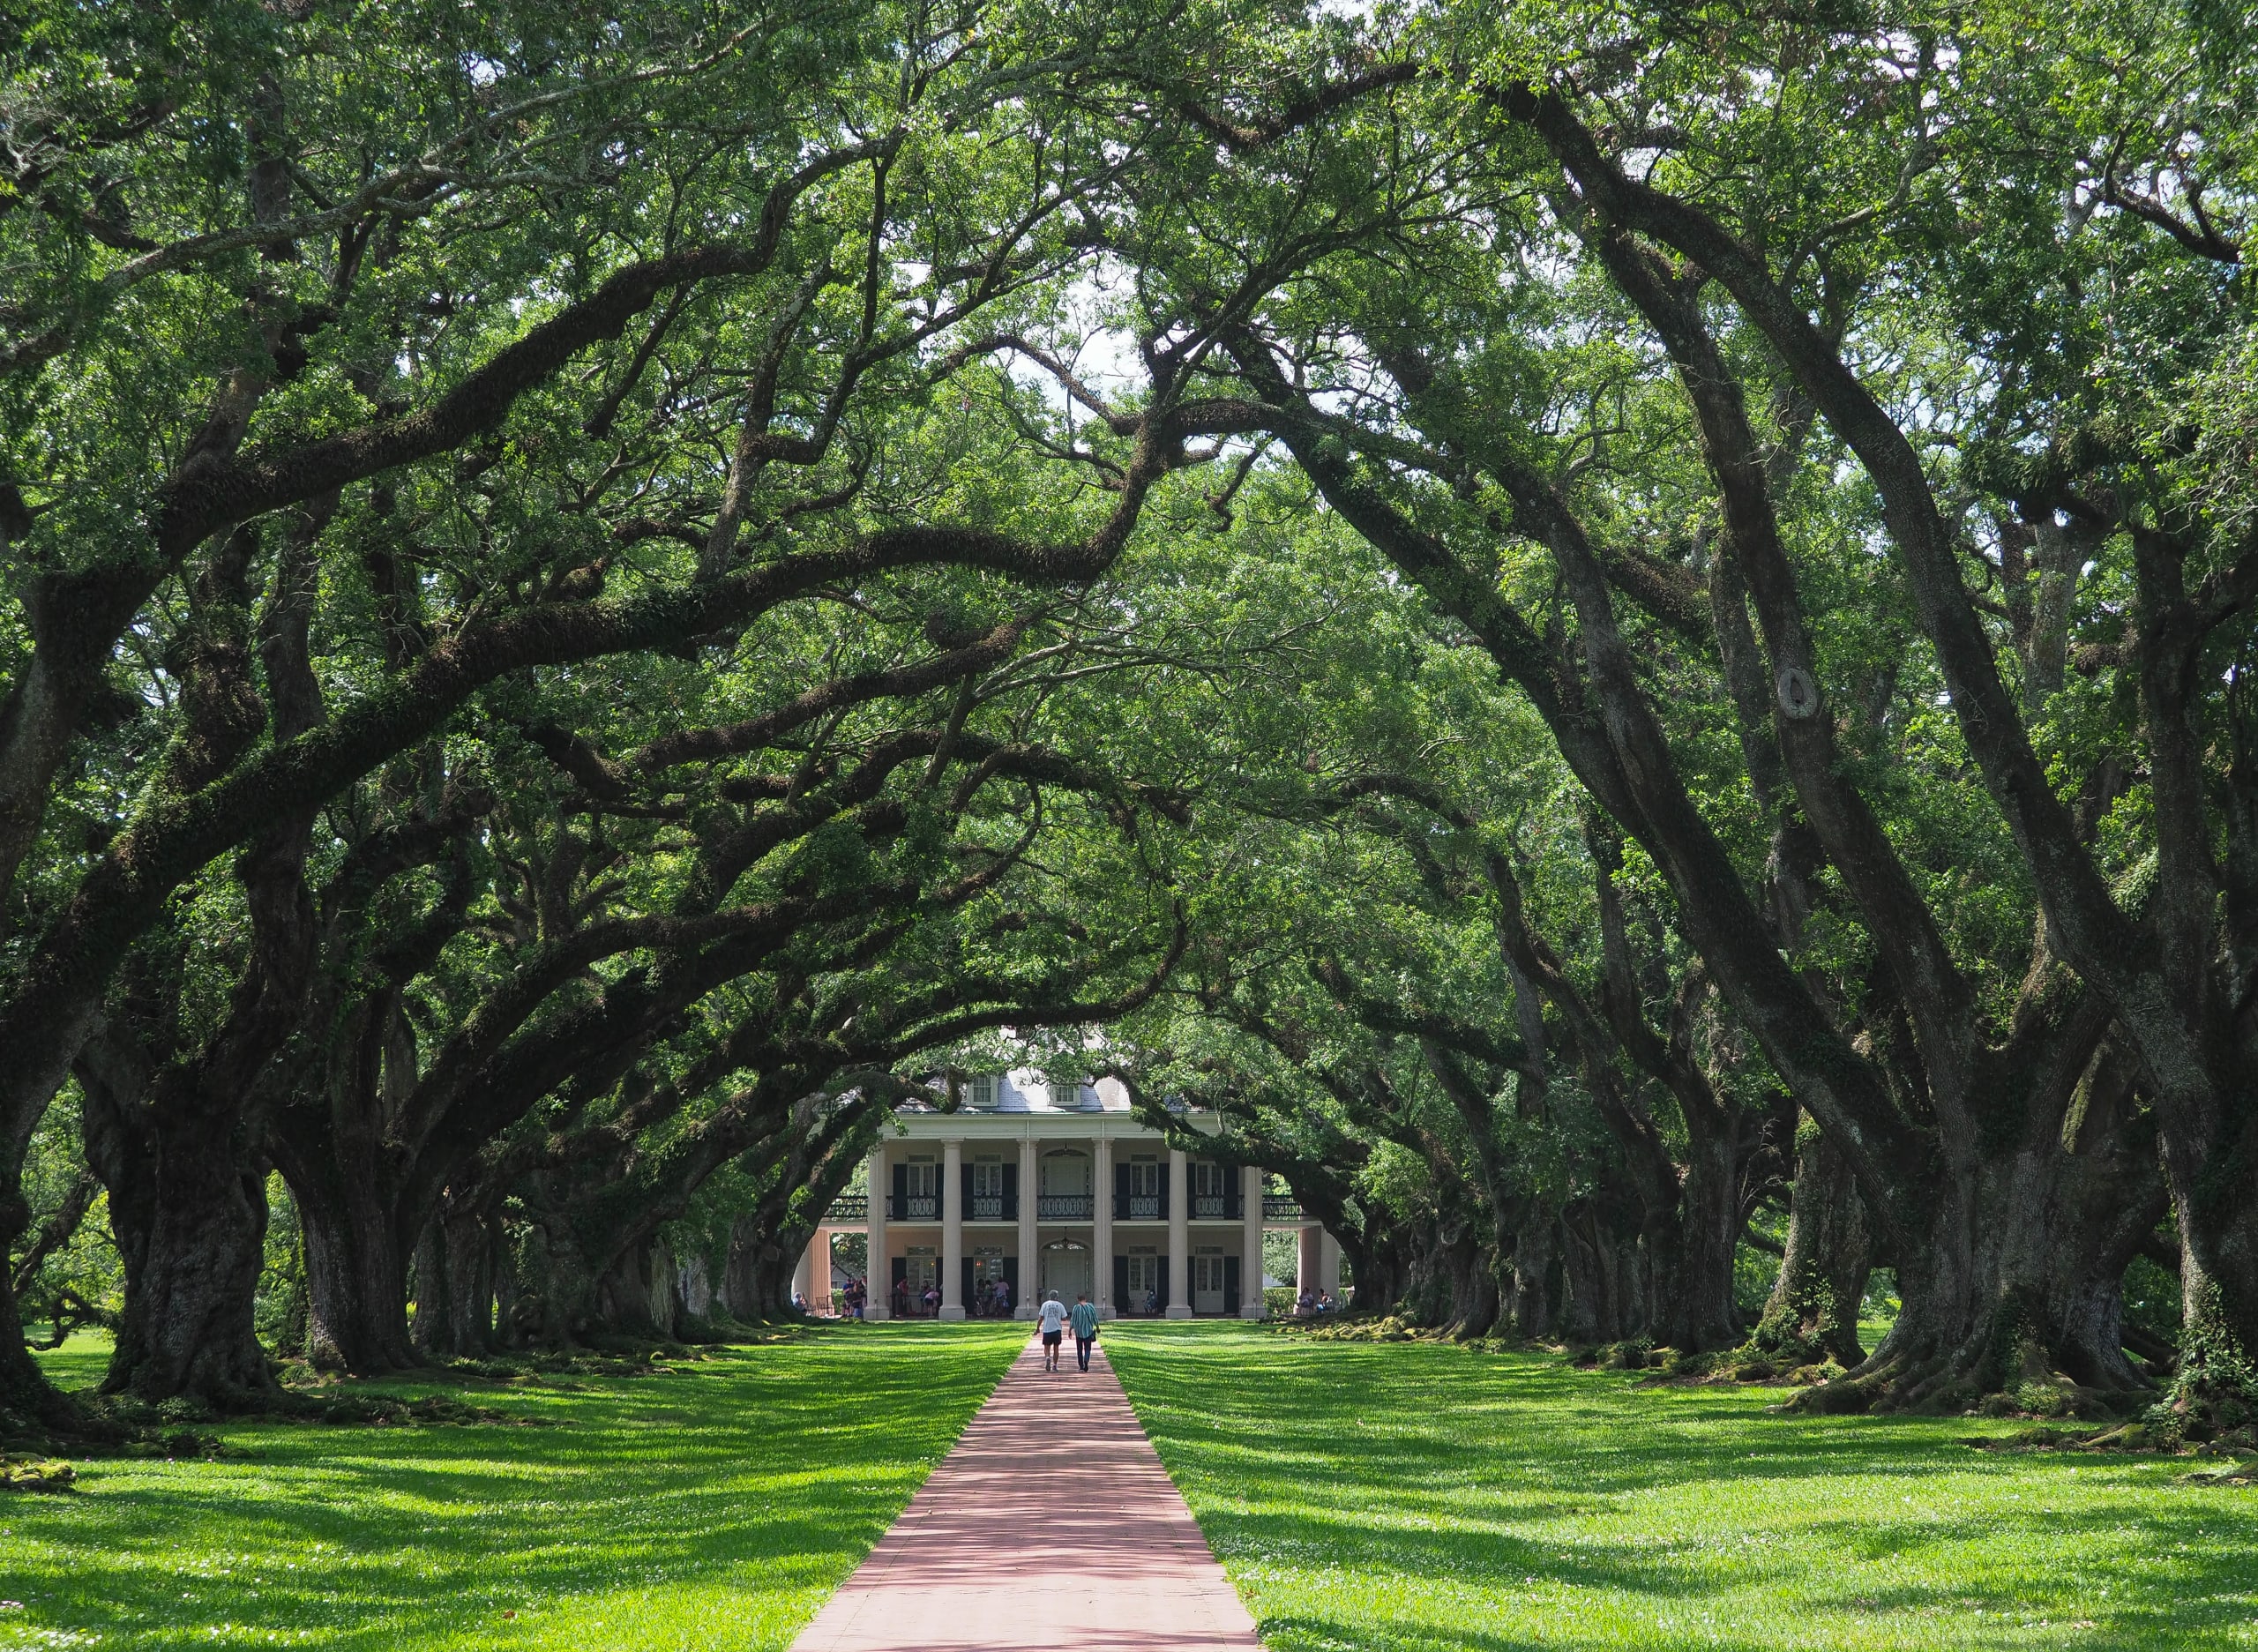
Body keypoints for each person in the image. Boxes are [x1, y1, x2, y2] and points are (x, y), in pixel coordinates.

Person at [1036, 1290, 1069, 1372]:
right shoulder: (1060, 1305)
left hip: (1047, 1329)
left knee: (1047, 1347)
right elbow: (1064, 1318)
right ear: (1057, 1297)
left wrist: (1037, 1328)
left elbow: (1041, 1318)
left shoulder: (1045, 1305)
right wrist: (1058, 1317)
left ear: (1049, 1296)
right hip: (1057, 1329)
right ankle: (1054, 1365)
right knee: (1056, 1347)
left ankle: (1047, 1357)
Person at [1068, 1291, 1099, 1372]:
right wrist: (1097, 1327)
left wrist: (1070, 1330)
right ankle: (1086, 1359)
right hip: (1088, 1331)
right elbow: (1095, 1318)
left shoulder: (1076, 1308)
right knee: (1087, 1348)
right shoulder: (1090, 1306)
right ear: (1085, 1299)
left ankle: (1081, 1366)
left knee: (1079, 1349)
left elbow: (1073, 1320)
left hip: (1078, 1332)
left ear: (1078, 1299)